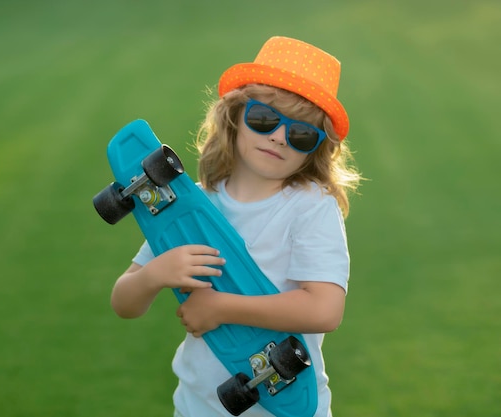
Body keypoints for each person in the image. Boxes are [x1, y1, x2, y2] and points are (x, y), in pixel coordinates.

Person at [110, 36, 361, 417]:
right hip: (196, 405)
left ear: (316, 149)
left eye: (302, 134)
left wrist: (222, 307)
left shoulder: (310, 206)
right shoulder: (190, 206)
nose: (279, 137)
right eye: (265, 119)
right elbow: (123, 303)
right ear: (235, 117)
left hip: (285, 406)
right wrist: (154, 275)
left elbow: (325, 309)